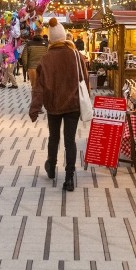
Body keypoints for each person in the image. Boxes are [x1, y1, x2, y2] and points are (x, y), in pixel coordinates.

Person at [29, 17, 89, 192]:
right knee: (70, 140)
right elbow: (84, 80)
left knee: (54, 137)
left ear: (51, 39)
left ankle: (51, 167)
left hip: (53, 105)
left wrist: (34, 108)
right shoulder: (76, 55)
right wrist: (87, 99)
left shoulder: (46, 59)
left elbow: (38, 87)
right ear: (64, 37)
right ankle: (69, 177)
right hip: (73, 105)